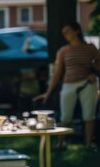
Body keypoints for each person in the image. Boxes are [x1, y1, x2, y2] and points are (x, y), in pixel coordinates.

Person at [34, 21, 100, 149]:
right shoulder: (63, 51)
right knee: (66, 116)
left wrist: (94, 74)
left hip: (87, 83)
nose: (66, 34)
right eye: (64, 33)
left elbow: (98, 65)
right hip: (69, 84)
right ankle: (60, 144)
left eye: (68, 31)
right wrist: (48, 92)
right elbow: (57, 74)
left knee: (89, 115)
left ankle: (88, 145)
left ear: (77, 31)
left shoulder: (90, 48)